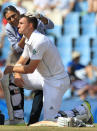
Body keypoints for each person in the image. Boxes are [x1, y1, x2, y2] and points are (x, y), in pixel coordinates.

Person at [4, 13, 70, 121]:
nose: (18, 26)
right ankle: (18, 119)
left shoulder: (39, 41)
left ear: (30, 26)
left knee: (50, 120)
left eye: (21, 23)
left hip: (56, 80)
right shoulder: (27, 38)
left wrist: (12, 68)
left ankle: (81, 111)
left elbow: (30, 68)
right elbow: (21, 61)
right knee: (10, 78)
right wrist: (16, 74)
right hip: (42, 78)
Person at [2, 5, 54, 125]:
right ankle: (19, 118)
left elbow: (51, 25)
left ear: (18, 12)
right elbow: (16, 49)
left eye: (13, 16)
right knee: (13, 79)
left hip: (41, 56)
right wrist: (25, 34)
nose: (12, 20)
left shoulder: (30, 18)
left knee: (40, 87)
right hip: (26, 57)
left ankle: (33, 121)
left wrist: (40, 17)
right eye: (9, 18)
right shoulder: (9, 28)